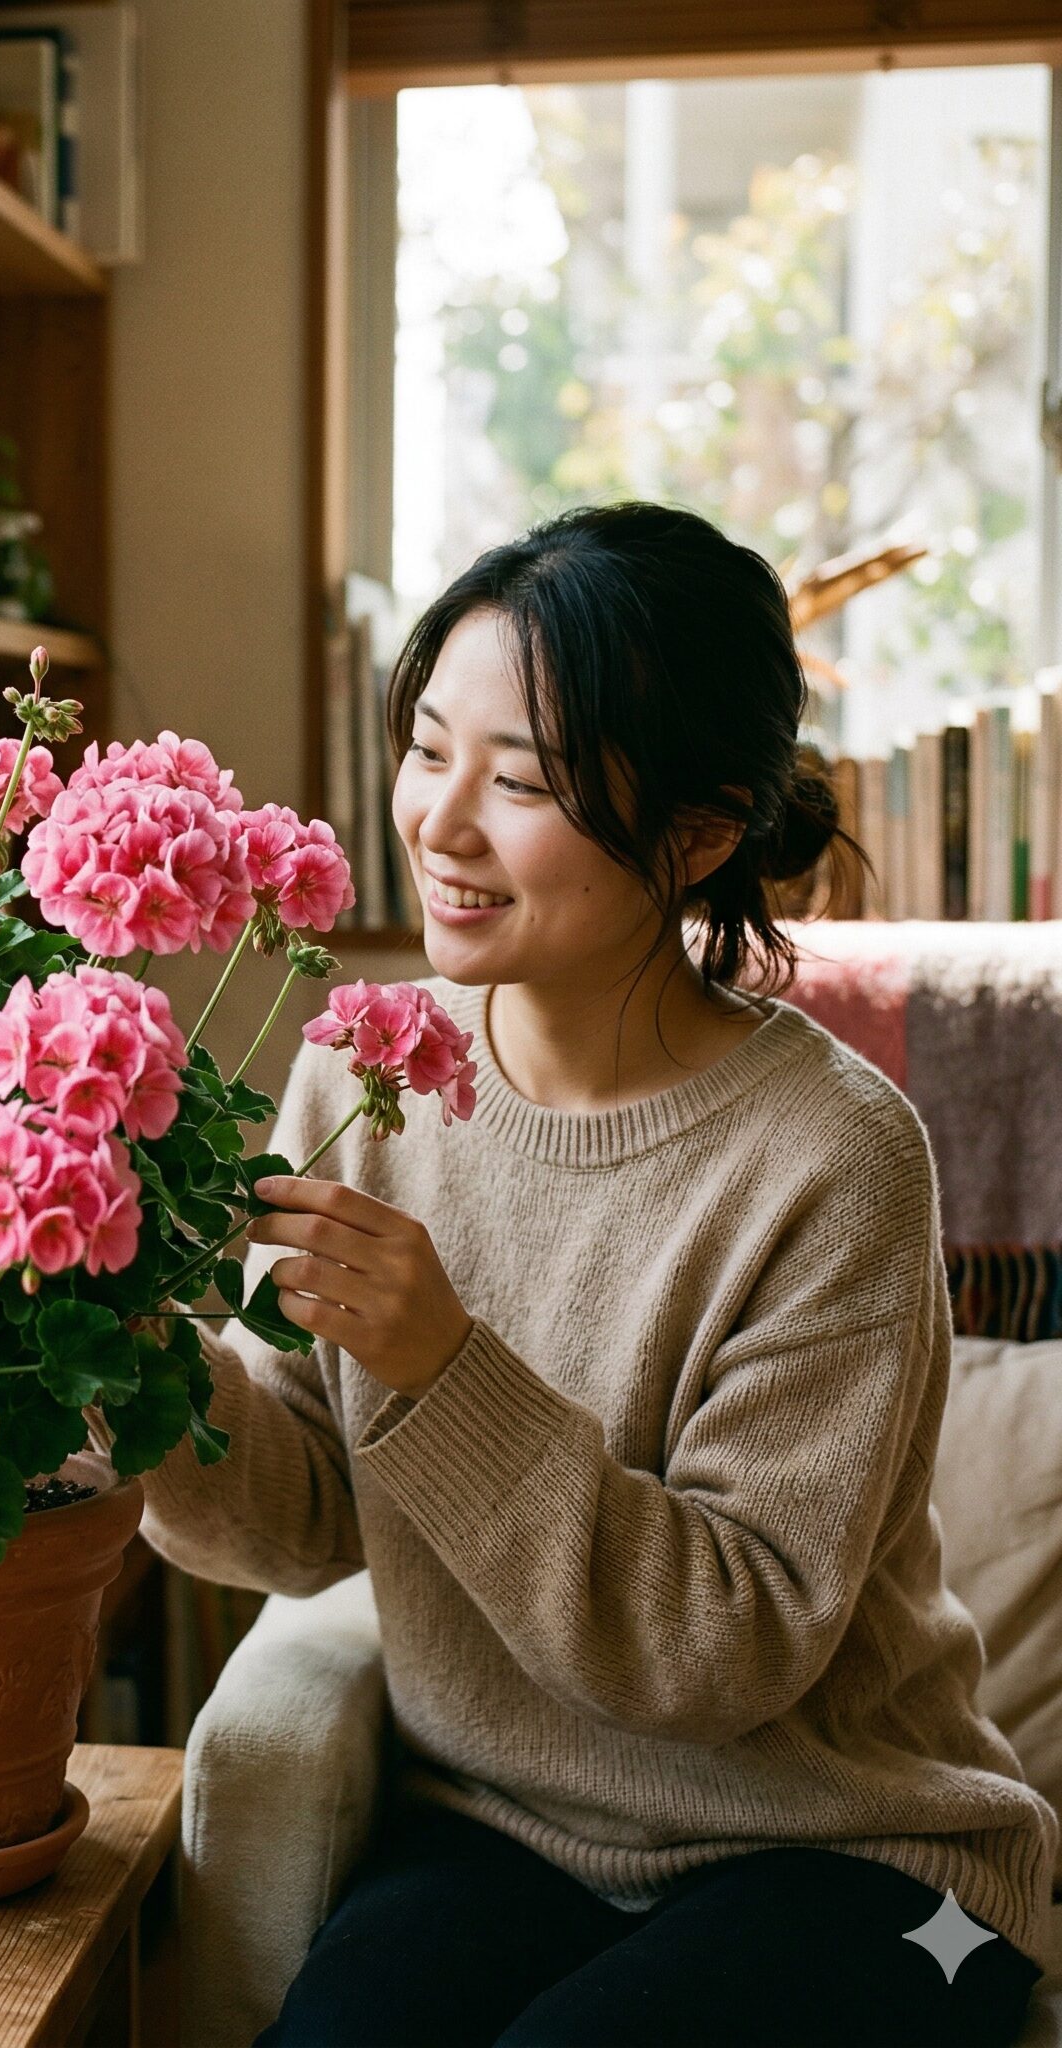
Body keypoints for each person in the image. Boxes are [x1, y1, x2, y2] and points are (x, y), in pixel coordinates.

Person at [129, 503, 1056, 2047]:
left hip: (869, 1863)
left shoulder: (836, 1158)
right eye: (429, 749)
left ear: (697, 833)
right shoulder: (368, 1074)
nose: (438, 821)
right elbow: (303, 1515)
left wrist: (446, 1369)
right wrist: (129, 1370)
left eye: (526, 783)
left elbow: (732, 1648)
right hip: (503, 1830)